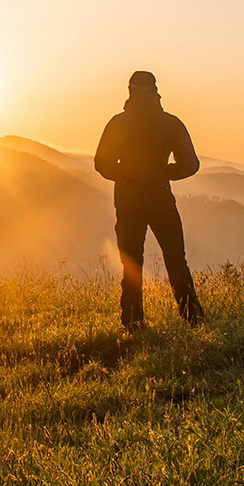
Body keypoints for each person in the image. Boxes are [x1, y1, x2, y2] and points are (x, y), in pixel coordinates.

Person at [94, 70, 202, 330]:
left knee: (132, 263)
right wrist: (161, 173)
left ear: (130, 91)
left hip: (129, 202)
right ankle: (193, 319)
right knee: (176, 259)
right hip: (161, 200)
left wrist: (130, 174)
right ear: (155, 91)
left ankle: (133, 322)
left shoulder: (118, 124)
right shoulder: (171, 123)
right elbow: (191, 164)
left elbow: (102, 164)